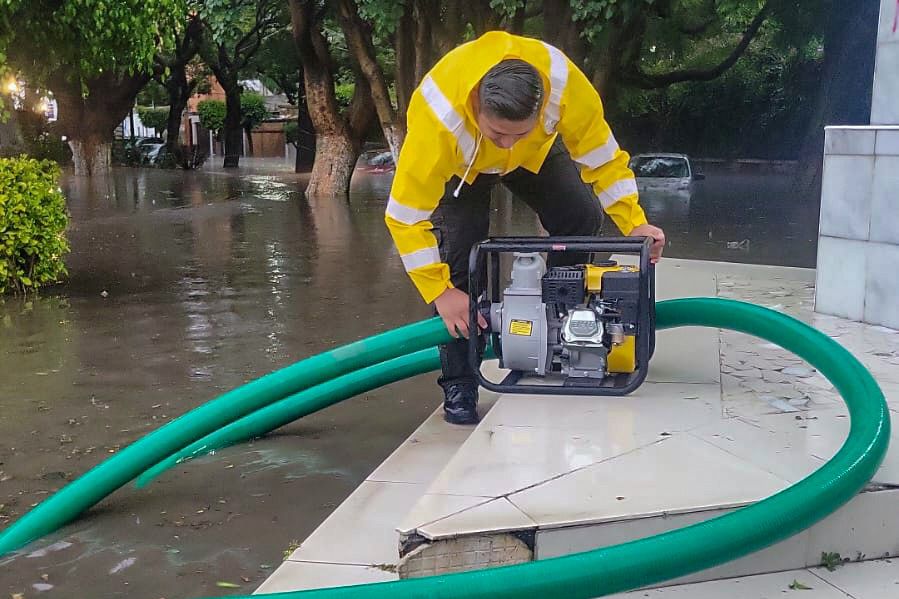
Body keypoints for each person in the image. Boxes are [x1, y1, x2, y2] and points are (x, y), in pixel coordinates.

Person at [384, 31, 666, 425]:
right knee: (460, 264)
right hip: (461, 167)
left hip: (535, 156)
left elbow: (603, 158)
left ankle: (565, 328)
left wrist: (635, 222)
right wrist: (440, 291)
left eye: (518, 132)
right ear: (476, 102)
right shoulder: (438, 120)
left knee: (581, 216)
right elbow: (405, 216)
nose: (505, 143)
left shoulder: (564, 86)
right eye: (498, 133)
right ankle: (460, 384)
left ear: (542, 105)